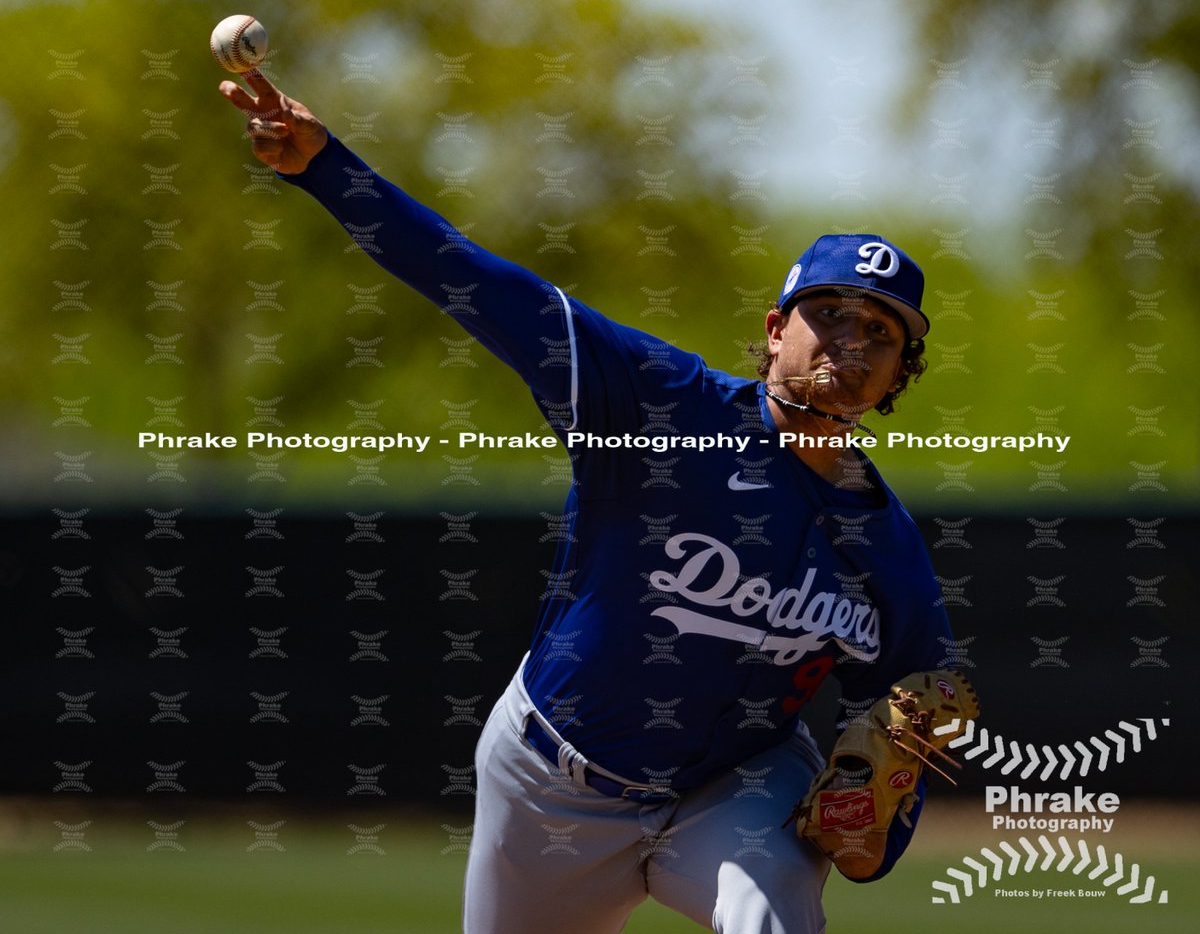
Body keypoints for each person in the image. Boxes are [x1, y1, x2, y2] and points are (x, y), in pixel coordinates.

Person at [220, 71, 953, 934]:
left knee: (773, 922)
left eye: (881, 332)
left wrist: (885, 823)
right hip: (552, 782)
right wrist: (326, 169)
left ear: (900, 374)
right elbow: (479, 283)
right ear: (772, 329)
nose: (851, 341)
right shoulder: (658, 405)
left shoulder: (888, 547)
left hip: (737, 787)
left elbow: (919, 692)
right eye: (828, 311)